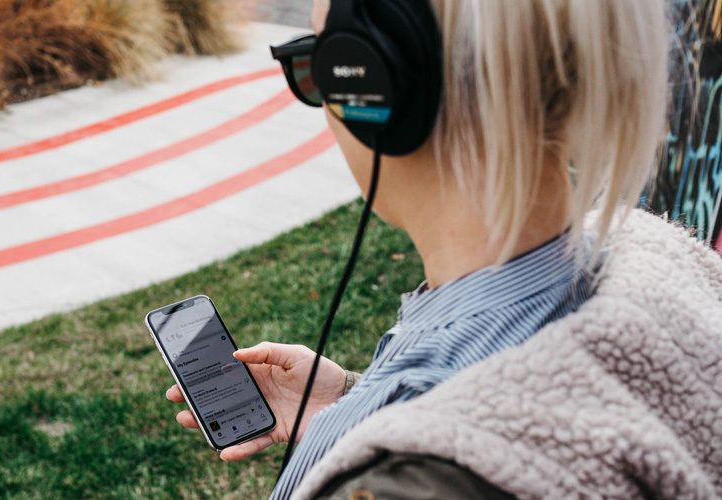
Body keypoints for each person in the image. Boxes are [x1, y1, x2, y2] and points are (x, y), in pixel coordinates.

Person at [166, 0, 722, 498]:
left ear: (379, 89)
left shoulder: (426, 482)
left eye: (315, 66)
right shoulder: (648, 269)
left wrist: (402, 465)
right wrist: (350, 408)